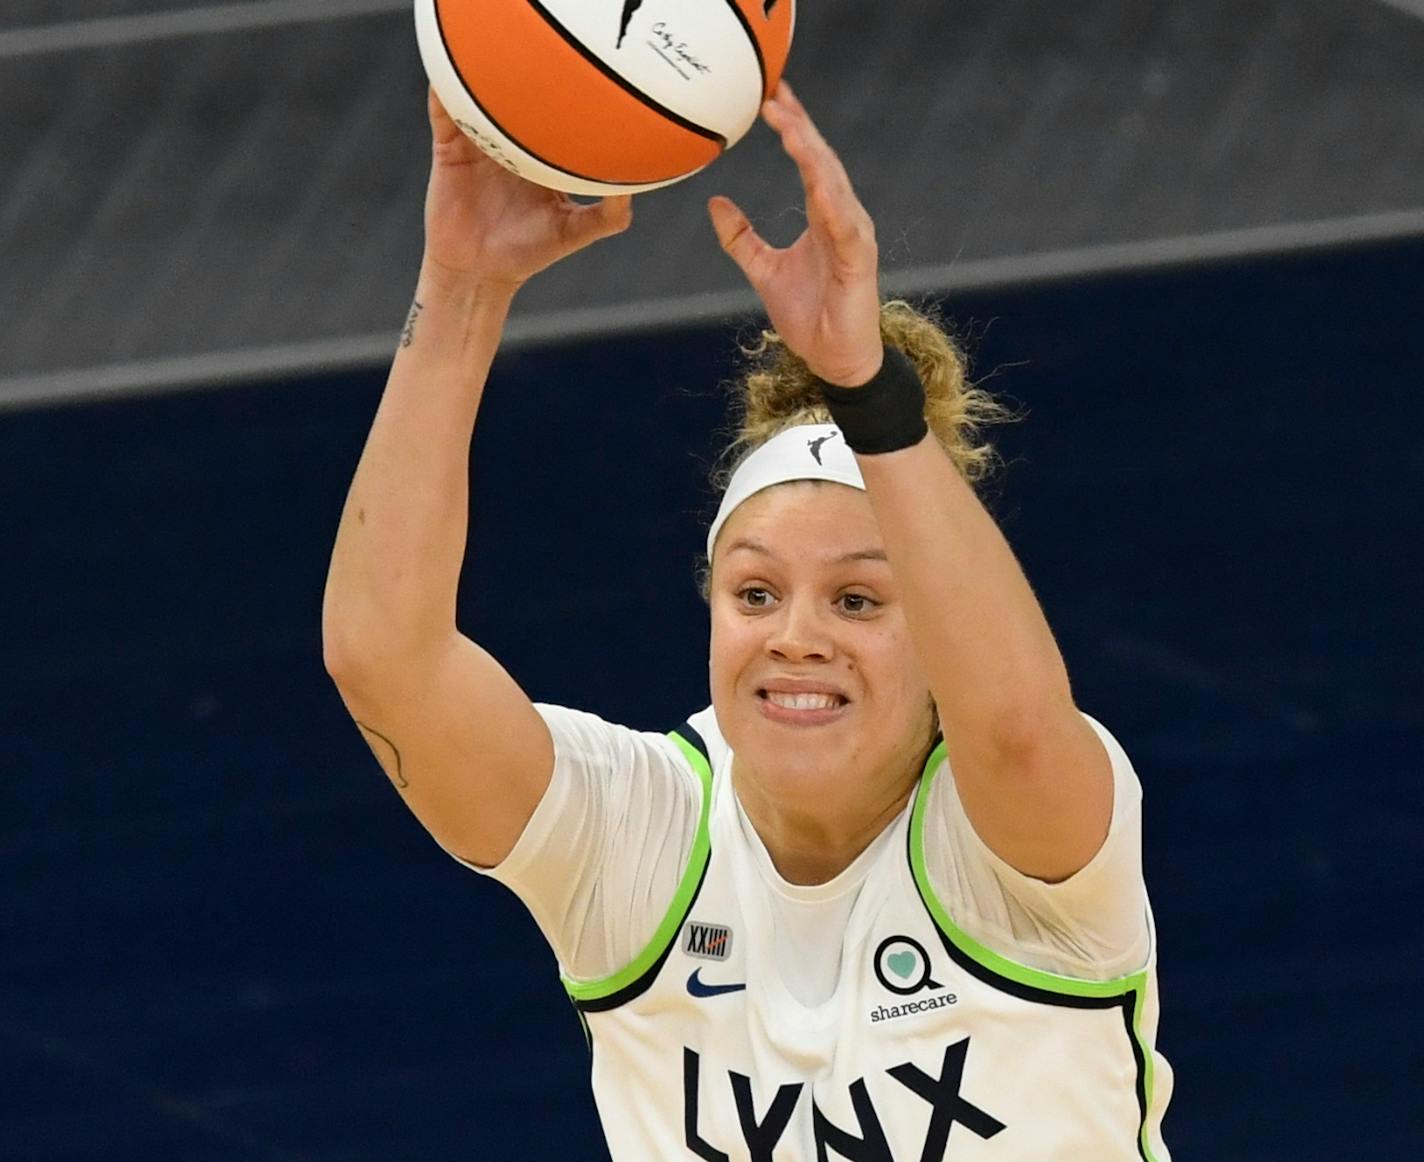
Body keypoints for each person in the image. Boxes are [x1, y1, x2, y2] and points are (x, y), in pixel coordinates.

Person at [323, 82, 1173, 1160]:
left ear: (942, 634)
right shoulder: (639, 836)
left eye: (859, 599)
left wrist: (869, 390)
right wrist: (459, 287)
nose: (796, 636)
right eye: (755, 592)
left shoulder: (1013, 830)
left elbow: (1008, 719)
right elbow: (381, 657)